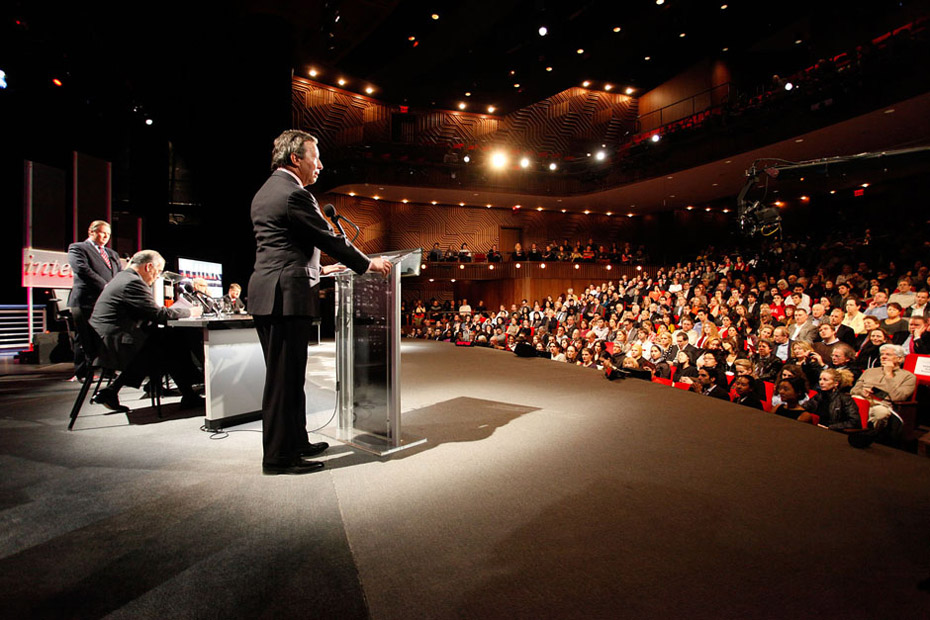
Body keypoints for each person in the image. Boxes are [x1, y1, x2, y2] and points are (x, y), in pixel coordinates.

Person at [249, 130, 391, 475]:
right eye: (315, 157)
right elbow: (326, 236)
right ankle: (279, 457)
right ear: (295, 158)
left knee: (290, 377)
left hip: (272, 292)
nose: (321, 164)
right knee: (284, 381)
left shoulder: (268, 190)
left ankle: (296, 441)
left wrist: (323, 268)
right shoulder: (294, 194)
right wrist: (366, 263)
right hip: (285, 298)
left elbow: (284, 248)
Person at [89, 250, 203, 411]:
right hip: (114, 344)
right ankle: (191, 391)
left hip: (106, 339)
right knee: (171, 344)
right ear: (149, 267)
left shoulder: (123, 278)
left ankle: (115, 390)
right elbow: (158, 314)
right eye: (157, 272)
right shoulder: (132, 283)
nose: (157, 277)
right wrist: (191, 311)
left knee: (168, 341)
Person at [67, 220, 122, 380]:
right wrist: (106, 286)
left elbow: (119, 274)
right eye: (102, 232)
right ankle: (83, 372)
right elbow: (82, 270)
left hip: (107, 301)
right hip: (85, 300)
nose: (105, 236)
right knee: (84, 337)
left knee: (108, 335)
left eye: (108, 234)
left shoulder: (112, 254)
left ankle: (108, 369)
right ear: (91, 232)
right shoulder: (78, 248)